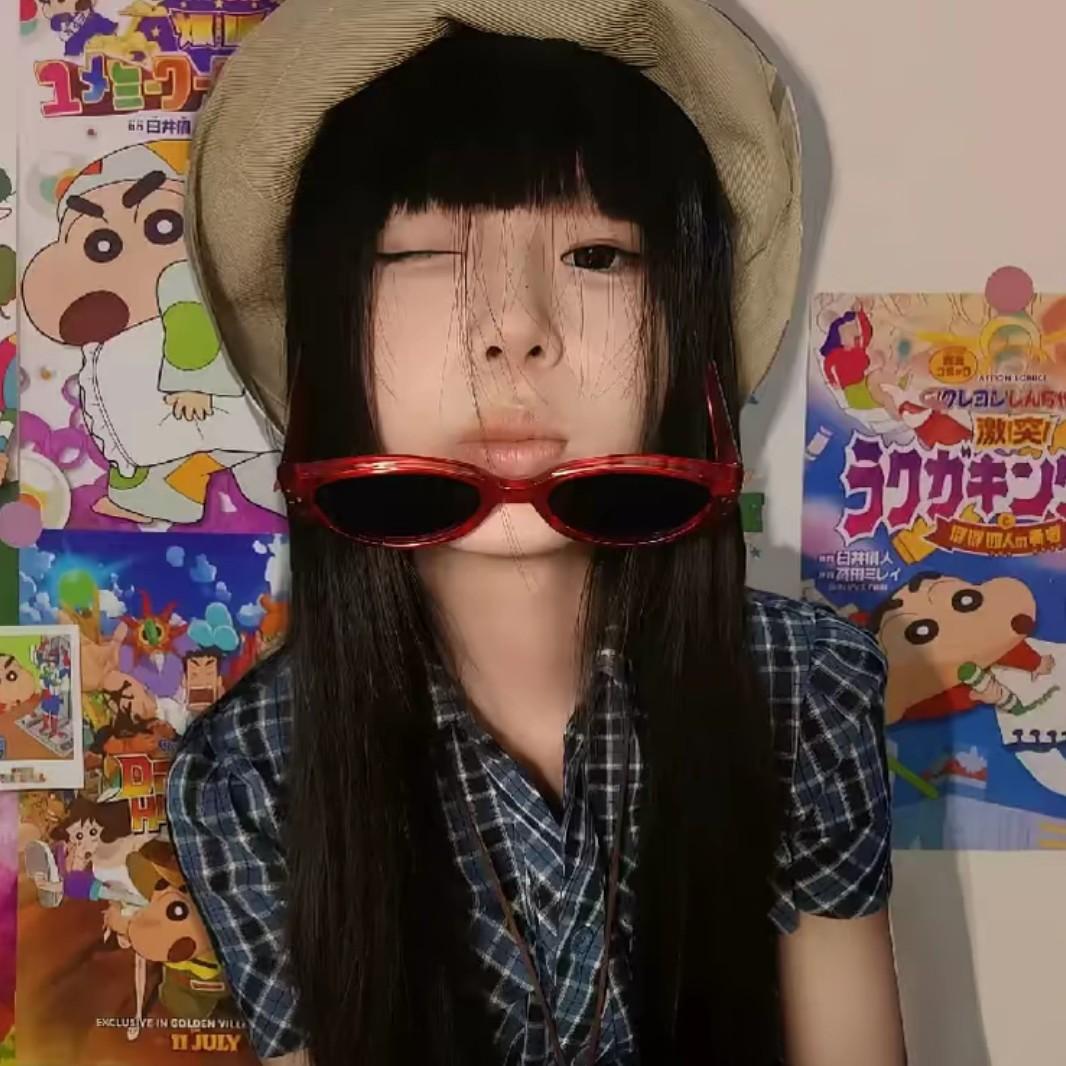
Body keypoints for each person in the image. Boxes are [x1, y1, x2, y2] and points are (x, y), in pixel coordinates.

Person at [167, 3, 906, 1065]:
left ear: (687, 333)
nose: (513, 328)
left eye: (598, 255)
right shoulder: (248, 774)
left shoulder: (806, 687)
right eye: (422, 251)